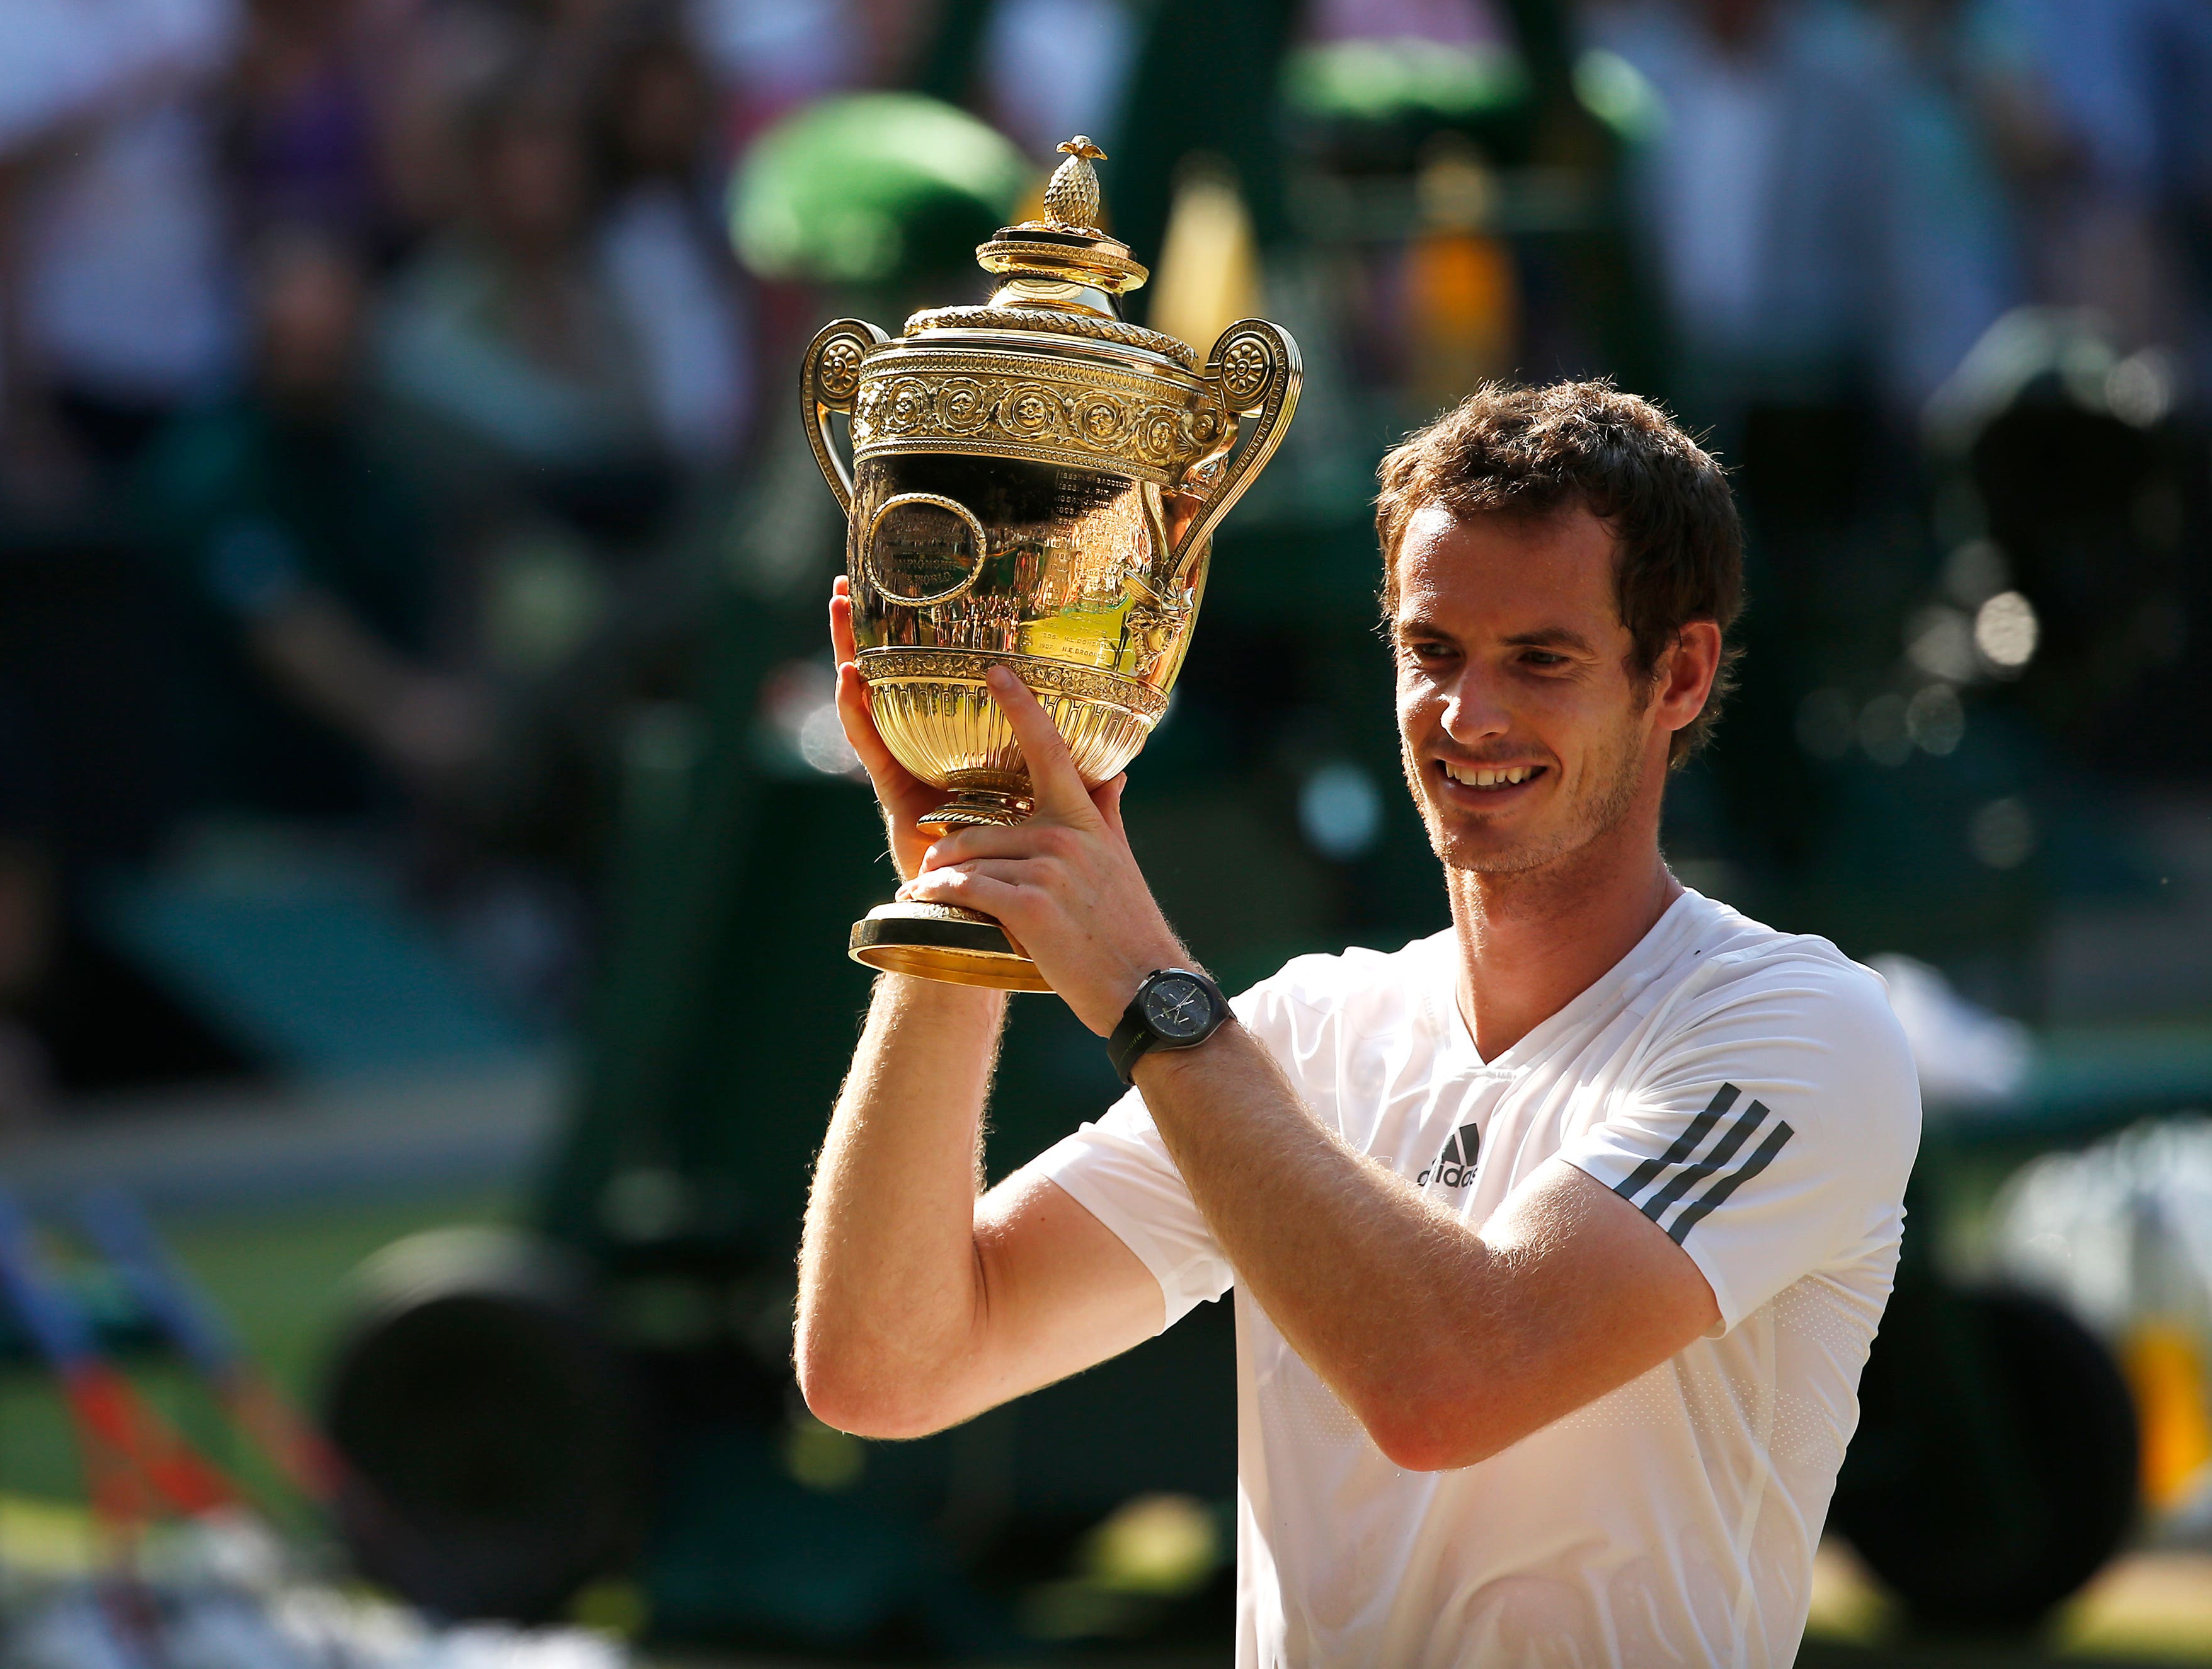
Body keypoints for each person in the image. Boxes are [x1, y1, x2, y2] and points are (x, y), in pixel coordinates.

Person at [795, 381, 1922, 1666]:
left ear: (1676, 674)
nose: (1467, 716)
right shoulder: (1302, 1032)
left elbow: (1450, 1384)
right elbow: (887, 1367)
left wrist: (1147, 988)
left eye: (1537, 659)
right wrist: (957, 906)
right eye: (1430, 650)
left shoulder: (1798, 1030)